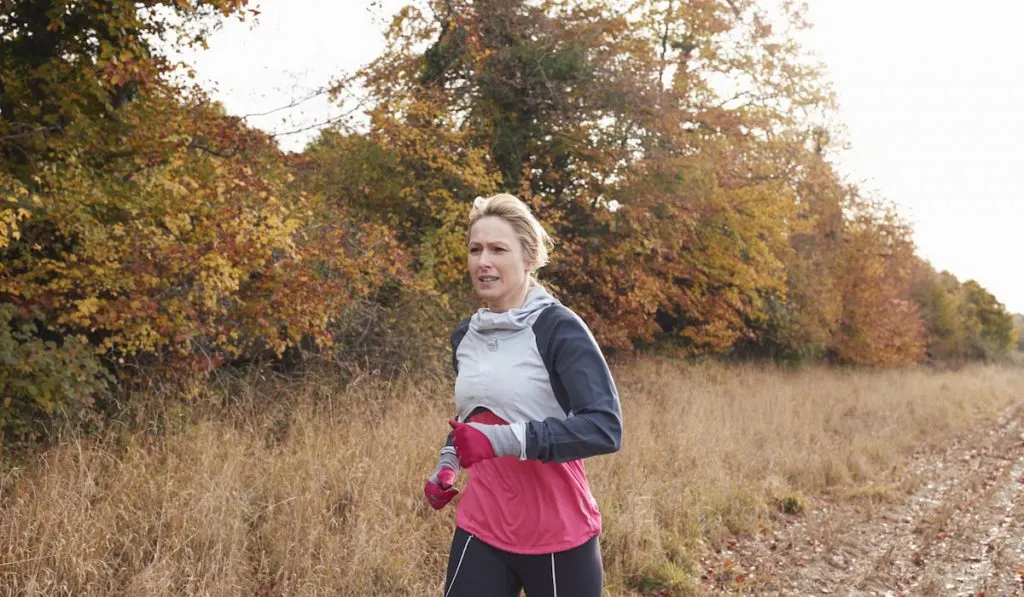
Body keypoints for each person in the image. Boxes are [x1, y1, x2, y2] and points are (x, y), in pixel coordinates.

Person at [422, 193, 623, 597]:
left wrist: (497, 441)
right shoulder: (466, 334)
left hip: (555, 532)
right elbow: (474, 420)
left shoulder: (559, 328)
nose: (484, 261)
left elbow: (605, 428)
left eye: (498, 249)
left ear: (528, 257)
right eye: (475, 249)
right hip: (482, 525)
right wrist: (448, 463)